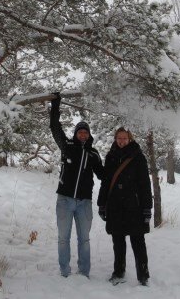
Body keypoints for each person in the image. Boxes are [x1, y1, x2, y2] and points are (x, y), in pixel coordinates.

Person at [49, 92, 104, 278]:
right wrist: (56, 105)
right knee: (63, 239)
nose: (82, 134)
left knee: (84, 240)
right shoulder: (67, 146)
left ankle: (84, 272)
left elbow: (103, 175)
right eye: (80, 131)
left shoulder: (94, 154)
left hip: (84, 203)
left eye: (85, 132)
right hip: (65, 200)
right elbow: (55, 127)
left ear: (89, 135)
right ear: (76, 134)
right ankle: (65, 271)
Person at [97, 127, 153, 286]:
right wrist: (102, 204)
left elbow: (144, 184)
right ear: (115, 139)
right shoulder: (111, 156)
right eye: (119, 138)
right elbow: (106, 182)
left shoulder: (138, 156)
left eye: (124, 138)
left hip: (133, 206)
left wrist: (147, 207)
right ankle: (119, 272)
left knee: (138, 241)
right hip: (115, 205)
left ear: (130, 139)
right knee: (118, 241)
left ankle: (143, 276)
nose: (122, 141)